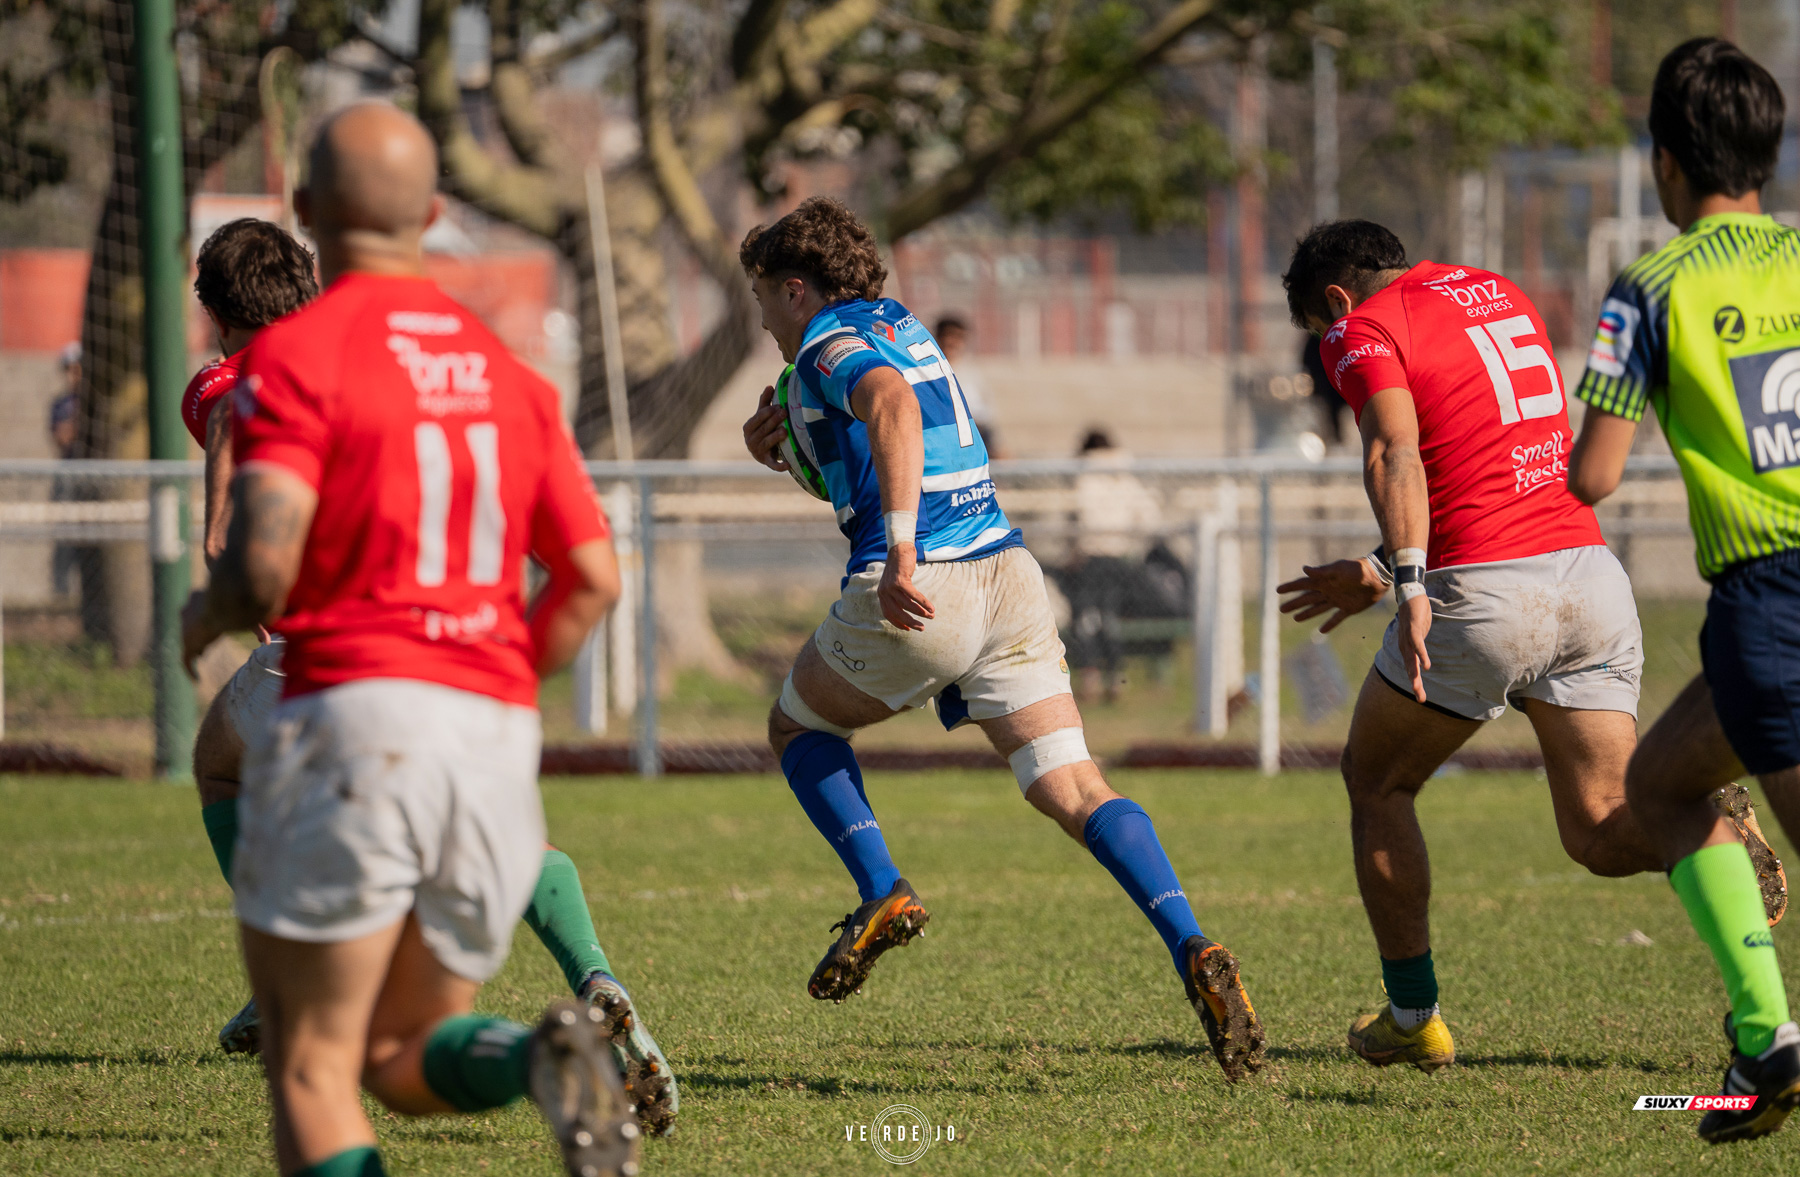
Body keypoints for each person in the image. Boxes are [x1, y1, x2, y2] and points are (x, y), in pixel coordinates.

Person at [181, 102, 640, 1177]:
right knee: (402, 1052)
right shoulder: (505, 372)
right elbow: (591, 578)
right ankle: (541, 1054)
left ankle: (539, 1053)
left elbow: (256, 559)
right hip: (484, 733)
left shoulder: (289, 361)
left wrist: (206, 614)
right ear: (434, 213)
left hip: (348, 714)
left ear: (306, 214)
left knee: (313, 1062)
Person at [738, 197, 1266, 1083]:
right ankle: (1191, 940)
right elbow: (878, 454)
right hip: (1008, 576)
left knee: (798, 728)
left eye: (761, 299)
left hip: (925, 583)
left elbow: (892, 412)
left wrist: (902, 551)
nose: (760, 320)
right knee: (1073, 784)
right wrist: (790, 453)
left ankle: (881, 888)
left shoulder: (827, 342)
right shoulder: (899, 324)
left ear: (797, 289)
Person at [1275, 218, 1785, 1074]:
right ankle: (1712, 844)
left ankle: (1413, 1015)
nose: (1328, 349)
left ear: (1334, 297)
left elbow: (1398, 450)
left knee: (1377, 779)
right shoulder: (1493, 289)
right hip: (1589, 578)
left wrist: (1404, 582)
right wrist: (1379, 565)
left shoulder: (1360, 326)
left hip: (1483, 596)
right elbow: (1487, 456)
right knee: (1601, 828)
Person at [1567, 37, 1800, 1143]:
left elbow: (1593, 475)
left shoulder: (1649, 288)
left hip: (1775, 598)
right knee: (1658, 785)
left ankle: (1770, 1040)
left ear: (1665, 163)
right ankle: (1766, 1045)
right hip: (1767, 613)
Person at [933, 314, 1002, 455]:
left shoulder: (972, 372)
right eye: (948, 336)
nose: (952, 342)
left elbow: (986, 414)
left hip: (978, 434)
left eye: (958, 337)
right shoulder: (929, 371)